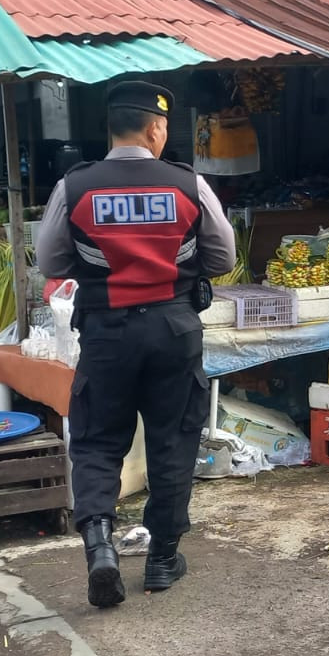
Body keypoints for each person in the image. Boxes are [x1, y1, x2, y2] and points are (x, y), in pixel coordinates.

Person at [35, 81, 237, 609]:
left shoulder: (75, 187)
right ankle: (163, 559)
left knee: (99, 440)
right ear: (155, 129)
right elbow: (223, 257)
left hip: (106, 332)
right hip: (174, 329)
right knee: (174, 440)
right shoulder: (187, 184)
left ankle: (100, 545)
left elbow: (53, 263)